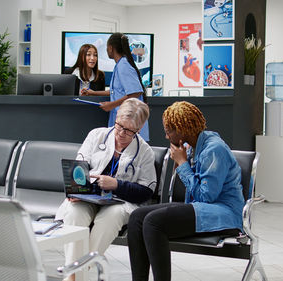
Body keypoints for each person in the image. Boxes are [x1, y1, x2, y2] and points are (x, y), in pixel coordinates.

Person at [127, 101, 245, 281]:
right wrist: (182, 161)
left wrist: (182, 164)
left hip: (225, 212)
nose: (166, 136)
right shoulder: (194, 146)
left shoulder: (215, 149)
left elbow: (206, 196)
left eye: (168, 130)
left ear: (182, 129)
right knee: (137, 217)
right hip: (202, 208)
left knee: (153, 222)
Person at [55, 98, 156, 281]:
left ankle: (76, 274)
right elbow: (79, 166)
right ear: (115, 118)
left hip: (120, 203)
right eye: (119, 126)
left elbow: (146, 191)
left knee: (111, 217)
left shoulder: (145, 152)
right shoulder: (97, 135)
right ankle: (75, 276)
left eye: (128, 130)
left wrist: (116, 185)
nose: (121, 133)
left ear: (139, 130)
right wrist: (76, 190)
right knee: (73, 213)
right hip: (88, 197)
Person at [82, 32, 150, 141]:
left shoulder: (123, 65)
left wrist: (111, 105)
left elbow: (135, 92)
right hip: (125, 122)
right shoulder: (120, 65)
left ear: (110, 48)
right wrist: (92, 92)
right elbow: (115, 91)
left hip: (130, 123)